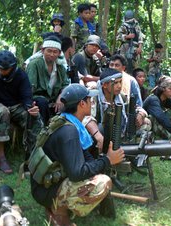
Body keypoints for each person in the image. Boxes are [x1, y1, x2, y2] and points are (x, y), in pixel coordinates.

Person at [30, 84, 124, 225]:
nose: (92, 103)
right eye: (89, 100)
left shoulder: (66, 122)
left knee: (95, 173)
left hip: (46, 184)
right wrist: (108, 160)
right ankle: (58, 210)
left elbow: (85, 157)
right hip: (46, 190)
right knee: (103, 183)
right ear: (81, 104)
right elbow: (76, 173)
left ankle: (57, 205)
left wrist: (103, 160)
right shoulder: (69, 132)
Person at [0, 50, 42, 174]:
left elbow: (26, 97)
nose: (0, 71)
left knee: (33, 117)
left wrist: (31, 108)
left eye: (4, 69)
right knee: (3, 112)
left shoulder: (21, 75)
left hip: (16, 105)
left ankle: (31, 157)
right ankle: (0, 156)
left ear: (12, 67)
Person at [27, 36, 70, 125]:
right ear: (43, 51)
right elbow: (30, 88)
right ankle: (42, 131)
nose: (52, 54)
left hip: (54, 100)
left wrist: (60, 98)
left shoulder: (60, 68)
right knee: (42, 102)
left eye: (55, 52)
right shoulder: (34, 64)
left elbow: (65, 85)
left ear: (59, 53)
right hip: (38, 100)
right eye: (49, 51)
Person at [117, 10, 144, 74]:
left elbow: (140, 37)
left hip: (135, 48)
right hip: (125, 47)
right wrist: (127, 36)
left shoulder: (137, 26)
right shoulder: (123, 26)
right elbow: (118, 37)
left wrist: (140, 47)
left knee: (134, 67)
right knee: (123, 64)